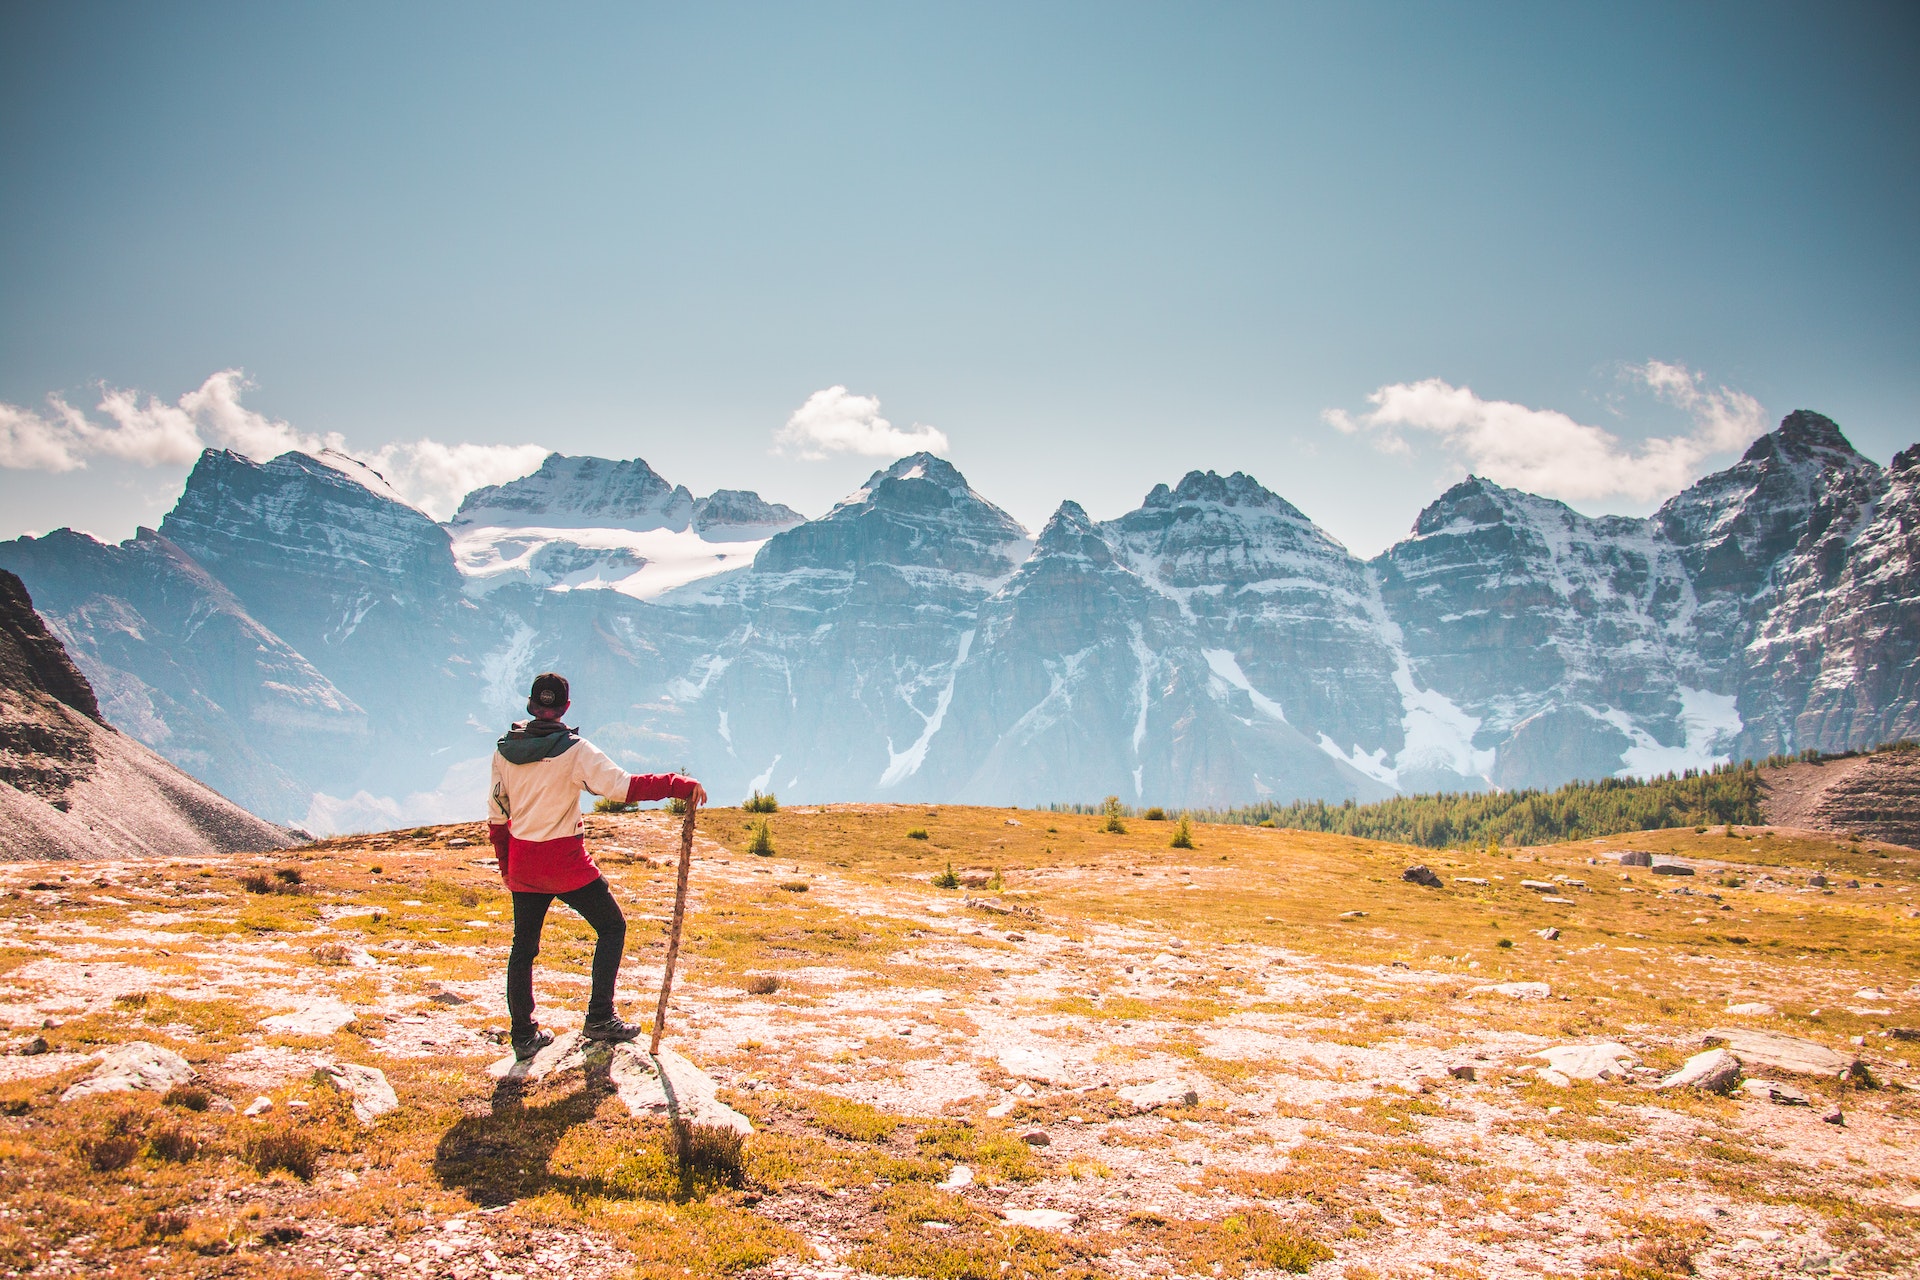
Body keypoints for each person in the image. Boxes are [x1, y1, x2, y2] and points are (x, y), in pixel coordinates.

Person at [487, 671, 707, 1060]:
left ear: (530, 705)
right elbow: (625, 788)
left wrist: (507, 866)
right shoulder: (575, 751)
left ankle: (522, 1034)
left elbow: (497, 817)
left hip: (524, 862)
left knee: (523, 947)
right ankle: (600, 1017)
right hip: (566, 863)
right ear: (566, 708)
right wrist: (678, 784)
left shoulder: (504, 752)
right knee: (611, 926)